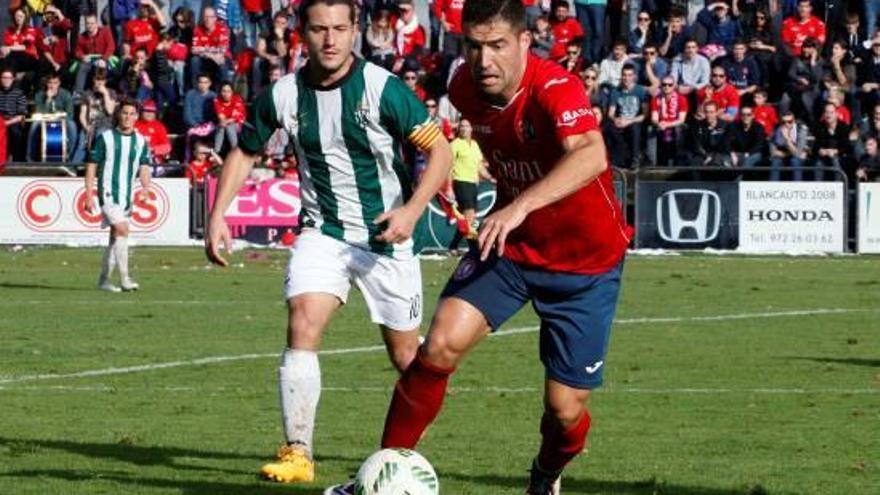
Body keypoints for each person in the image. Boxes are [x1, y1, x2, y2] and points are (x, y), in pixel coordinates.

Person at [342, 1, 632, 494]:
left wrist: (520, 205)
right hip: (512, 248)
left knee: (565, 410)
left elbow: (591, 152)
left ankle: (545, 473)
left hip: (584, 264)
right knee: (438, 346)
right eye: (474, 47)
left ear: (523, 42)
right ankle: (378, 478)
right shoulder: (463, 87)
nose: (484, 60)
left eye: (497, 46)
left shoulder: (555, 88)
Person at [204, 0, 453, 485]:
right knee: (302, 319)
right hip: (323, 231)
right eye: (320, 29)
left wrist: (412, 210)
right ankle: (298, 452)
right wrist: (218, 214)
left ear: (356, 29)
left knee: (408, 359)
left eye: (341, 28)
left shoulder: (383, 88)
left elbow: (439, 151)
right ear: (303, 32)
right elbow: (245, 152)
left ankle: (401, 457)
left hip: (386, 237)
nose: (331, 39)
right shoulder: (282, 95)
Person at [85, 98, 152, 293]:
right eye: (124, 113)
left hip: (126, 196)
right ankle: (125, 279)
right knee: (123, 229)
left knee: (115, 238)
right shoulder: (104, 138)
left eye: (132, 114)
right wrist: (89, 194)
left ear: (137, 117)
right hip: (107, 193)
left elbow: (144, 166)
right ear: (118, 115)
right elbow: (91, 167)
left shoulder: (140, 141)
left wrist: (146, 189)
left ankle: (103, 280)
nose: (128, 117)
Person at [447, 118, 491, 251]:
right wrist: (449, 187)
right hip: (461, 182)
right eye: (461, 126)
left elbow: (479, 166)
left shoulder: (475, 144)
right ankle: (472, 246)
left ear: (472, 128)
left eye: (466, 126)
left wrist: (490, 177)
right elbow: (448, 167)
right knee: (469, 215)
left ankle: (453, 246)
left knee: (467, 218)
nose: (464, 128)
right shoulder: (455, 144)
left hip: (473, 183)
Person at [27, 72, 77, 162]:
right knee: (34, 125)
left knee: (72, 125)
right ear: (47, 83)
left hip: (61, 119)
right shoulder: (40, 94)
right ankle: (30, 157)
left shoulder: (66, 94)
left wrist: (60, 116)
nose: (52, 85)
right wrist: (48, 100)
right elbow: (39, 113)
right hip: (44, 119)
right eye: (50, 83)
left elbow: (70, 114)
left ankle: (69, 156)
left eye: (55, 83)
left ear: (59, 83)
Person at [607, 64, 648, 168]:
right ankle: (614, 160)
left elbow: (645, 114)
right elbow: (611, 113)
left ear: (634, 76)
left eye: (629, 75)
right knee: (609, 127)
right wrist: (615, 119)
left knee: (634, 128)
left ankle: (635, 159)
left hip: (634, 121)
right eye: (624, 75)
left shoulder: (640, 90)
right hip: (621, 120)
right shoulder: (616, 91)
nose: (626, 78)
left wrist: (629, 121)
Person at [74, 13, 117, 93]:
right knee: (82, 67)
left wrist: (103, 59)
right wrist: (82, 56)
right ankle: (78, 93)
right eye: (88, 23)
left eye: (92, 23)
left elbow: (111, 46)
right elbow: (77, 51)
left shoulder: (105, 31)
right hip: (89, 60)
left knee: (102, 68)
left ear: (96, 23)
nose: (90, 25)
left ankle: (104, 92)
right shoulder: (81, 36)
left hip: (104, 57)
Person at [650, 76, 689, 166]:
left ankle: (679, 162)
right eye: (664, 84)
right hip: (661, 125)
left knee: (679, 129)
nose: (666, 87)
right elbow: (654, 118)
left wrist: (667, 124)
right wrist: (658, 123)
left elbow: (681, 119)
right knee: (651, 130)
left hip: (675, 125)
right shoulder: (656, 98)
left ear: (674, 86)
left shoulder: (681, 99)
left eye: (670, 85)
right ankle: (653, 163)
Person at [770, 110, 810, 181]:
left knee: (795, 161)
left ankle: (797, 187)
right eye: (783, 122)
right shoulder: (777, 128)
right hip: (783, 156)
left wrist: (787, 139)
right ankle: (773, 187)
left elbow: (797, 153)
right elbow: (773, 152)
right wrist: (789, 153)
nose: (786, 124)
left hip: (795, 156)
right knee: (775, 162)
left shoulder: (801, 128)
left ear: (794, 120)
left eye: (789, 121)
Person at [0, 68, 28, 162]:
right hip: (0, 120)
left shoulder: (19, 93)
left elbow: (21, 115)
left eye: (9, 78)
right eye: (4, 77)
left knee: (15, 133)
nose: (6, 80)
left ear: (13, 79)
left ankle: (17, 161)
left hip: (13, 121)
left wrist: (6, 123)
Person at [213, 81, 246, 154]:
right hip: (225, 122)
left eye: (228, 91)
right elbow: (220, 116)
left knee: (229, 126)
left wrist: (225, 122)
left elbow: (236, 117)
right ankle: (216, 152)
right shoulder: (217, 100)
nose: (226, 94)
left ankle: (235, 151)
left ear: (232, 92)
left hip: (239, 123)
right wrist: (223, 122)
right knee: (221, 126)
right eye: (223, 91)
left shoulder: (237, 99)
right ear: (220, 92)